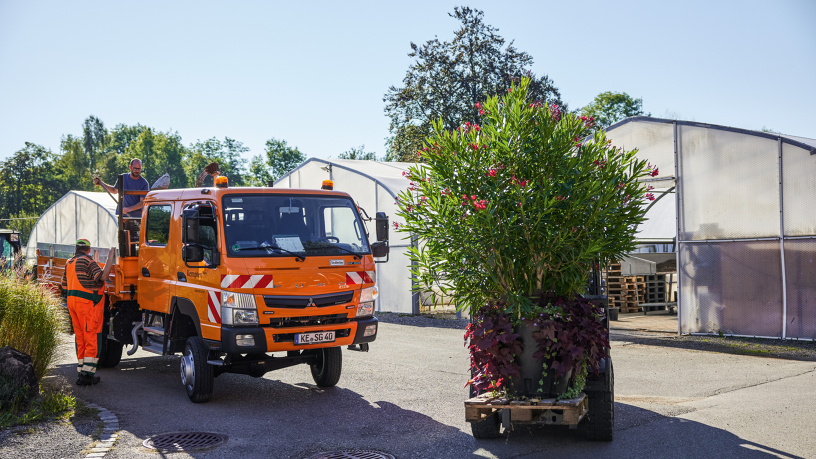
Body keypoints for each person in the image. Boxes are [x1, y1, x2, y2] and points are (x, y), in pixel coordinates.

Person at [61, 239, 116, 386]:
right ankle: (87, 375)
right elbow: (102, 277)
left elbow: (64, 285)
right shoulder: (87, 261)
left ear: (75, 249)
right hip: (87, 304)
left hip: (72, 303)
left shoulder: (69, 262)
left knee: (81, 338)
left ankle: (82, 371)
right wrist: (111, 256)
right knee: (92, 338)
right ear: (88, 249)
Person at [94, 159, 149, 251]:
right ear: (130, 167)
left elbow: (142, 202)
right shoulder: (123, 178)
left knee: (133, 240)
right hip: (123, 216)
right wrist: (101, 183)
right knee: (123, 239)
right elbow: (114, 191)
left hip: (135, 217)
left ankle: (133, 259)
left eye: (139, 169)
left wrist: (129, 209)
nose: (137, 171)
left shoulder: (144, 183)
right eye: (135, 168)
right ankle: (123, 257)